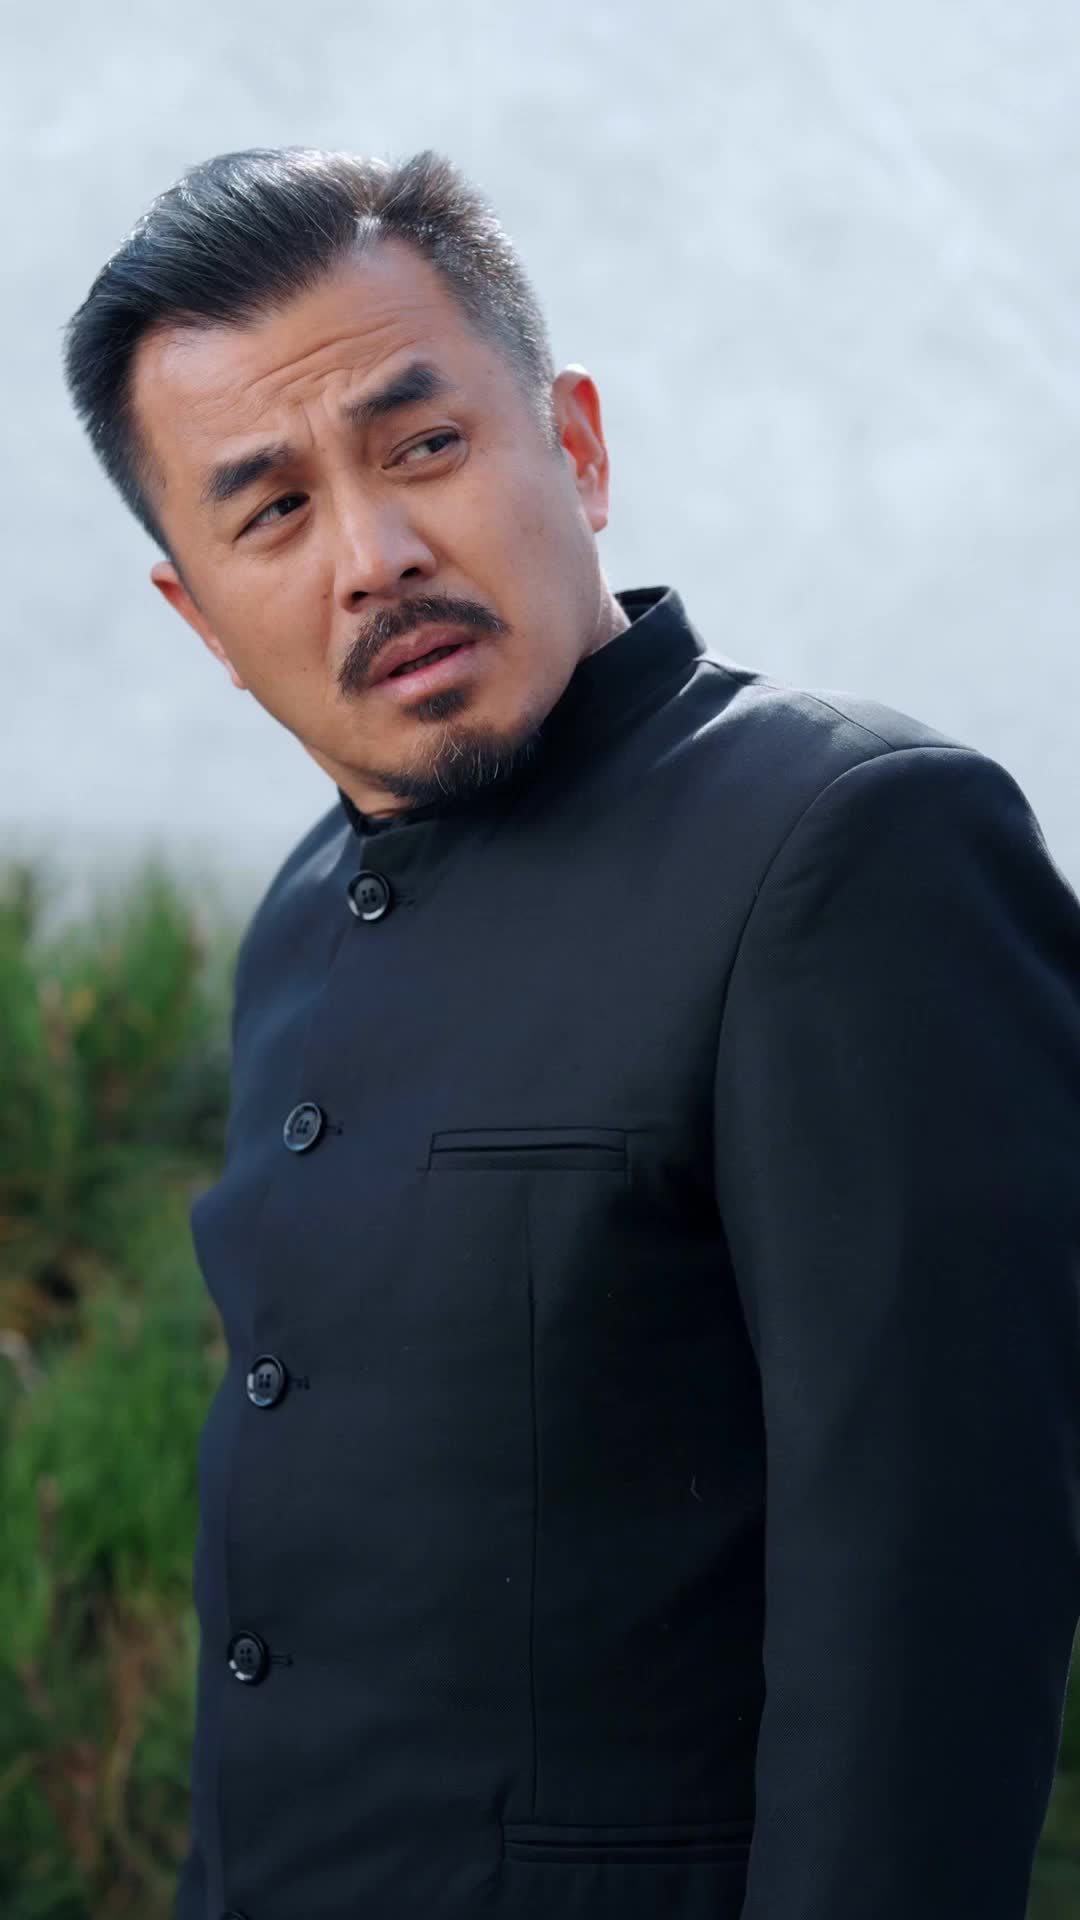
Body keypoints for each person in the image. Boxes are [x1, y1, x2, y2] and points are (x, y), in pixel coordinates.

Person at [62, 146, 1080, 1920]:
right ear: (199, 616)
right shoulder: (300, 915)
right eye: (271, 511)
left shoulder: (852, 844)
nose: (375, 556)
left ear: (579, 447)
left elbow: (933, 1619)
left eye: (421, 446)